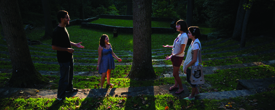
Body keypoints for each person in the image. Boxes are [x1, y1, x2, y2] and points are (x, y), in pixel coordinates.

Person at [52, 10, 84, 101]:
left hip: (69, 57)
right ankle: (60, 96)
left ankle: (69, 88)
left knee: (70, 75)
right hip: (63, 58)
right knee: (64, 77)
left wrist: (75, 44)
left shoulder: (64, 28)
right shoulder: (57, 31)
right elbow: (54, 47)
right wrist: (67, 49)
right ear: (62, 19)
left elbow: (65, 42)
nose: (69, 19)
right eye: (67, 17)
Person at [163, 19, 188, 94]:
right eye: (176, 25)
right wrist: (169, 46)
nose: (176, 26)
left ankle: (181, 88)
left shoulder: (184, 36)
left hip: (178, 57)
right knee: (176, 73)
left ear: (182, 26)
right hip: (175, 56)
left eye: (178, 25)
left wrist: (171, 56)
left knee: (174, 74)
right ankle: (176, 85)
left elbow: (181, 50)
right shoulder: (180, 35)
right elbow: (175, 46)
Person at [183, 26, 201, 100]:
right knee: (189, 80)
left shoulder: (196, 44)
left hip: (193, 66)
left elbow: (194, 59)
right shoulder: (193, 42)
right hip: (191, 65)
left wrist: (187, 66)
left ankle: (192, 96)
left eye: (189, 33)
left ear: (194, 34)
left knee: (192, 82)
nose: (188, 34)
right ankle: (196, 92)